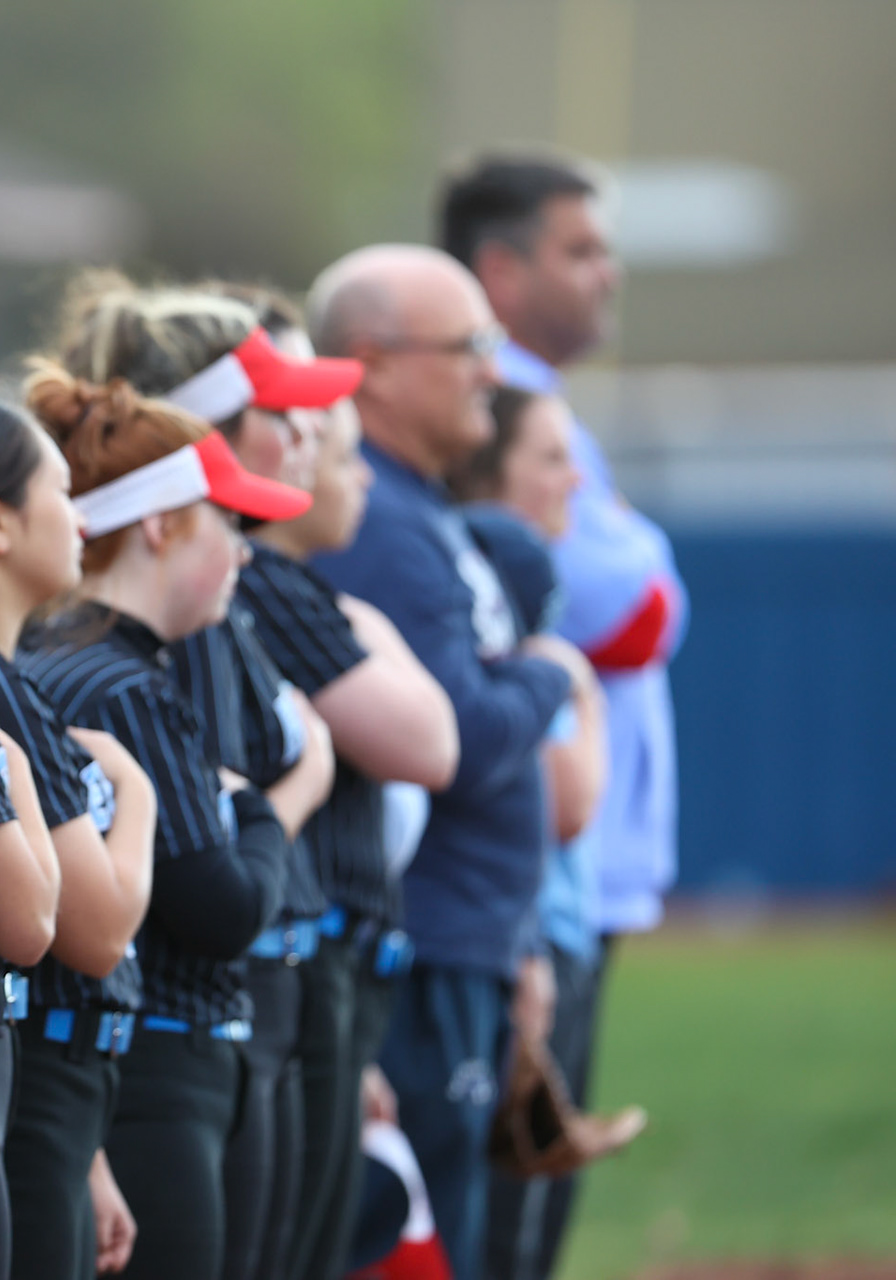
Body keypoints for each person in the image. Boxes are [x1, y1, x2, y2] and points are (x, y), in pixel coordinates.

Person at [53, 277, 360, 1280]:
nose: (304, 433)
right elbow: (218, 894)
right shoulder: (140, 660)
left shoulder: (173, 630)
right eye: (276, 412)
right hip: (166, 1039)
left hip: (202, 1032)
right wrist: (287, 787)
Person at [304, 244, 588, 1280]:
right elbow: (457, 745)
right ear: (372, 362)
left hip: (456, 945)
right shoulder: (373, 518)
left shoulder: (415, 507)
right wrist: (554, 673)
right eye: (470, 345)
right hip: (417, 955)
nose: (492, 370)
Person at [440, 155, 690, 1279]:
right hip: (536, 863)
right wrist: (653, 570)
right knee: (504, 1210)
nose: (608, 273)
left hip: (570, 866)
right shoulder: (503, 404)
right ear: (499, 267)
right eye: (579, 249)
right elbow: (634, 609)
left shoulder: (541, 407)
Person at [225, 293, 462, 1280]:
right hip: (281, 955)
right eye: (303, 425)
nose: (340, 459)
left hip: (323, 952)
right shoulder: (258, 582)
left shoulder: (296, 584)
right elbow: (434, 741)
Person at [0, 396, 159, 1280]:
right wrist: (138, 791)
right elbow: (86, 932)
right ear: (2, 523)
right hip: (2, 1090)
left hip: (26, 1084)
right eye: (62, 491)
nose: (83, 516)